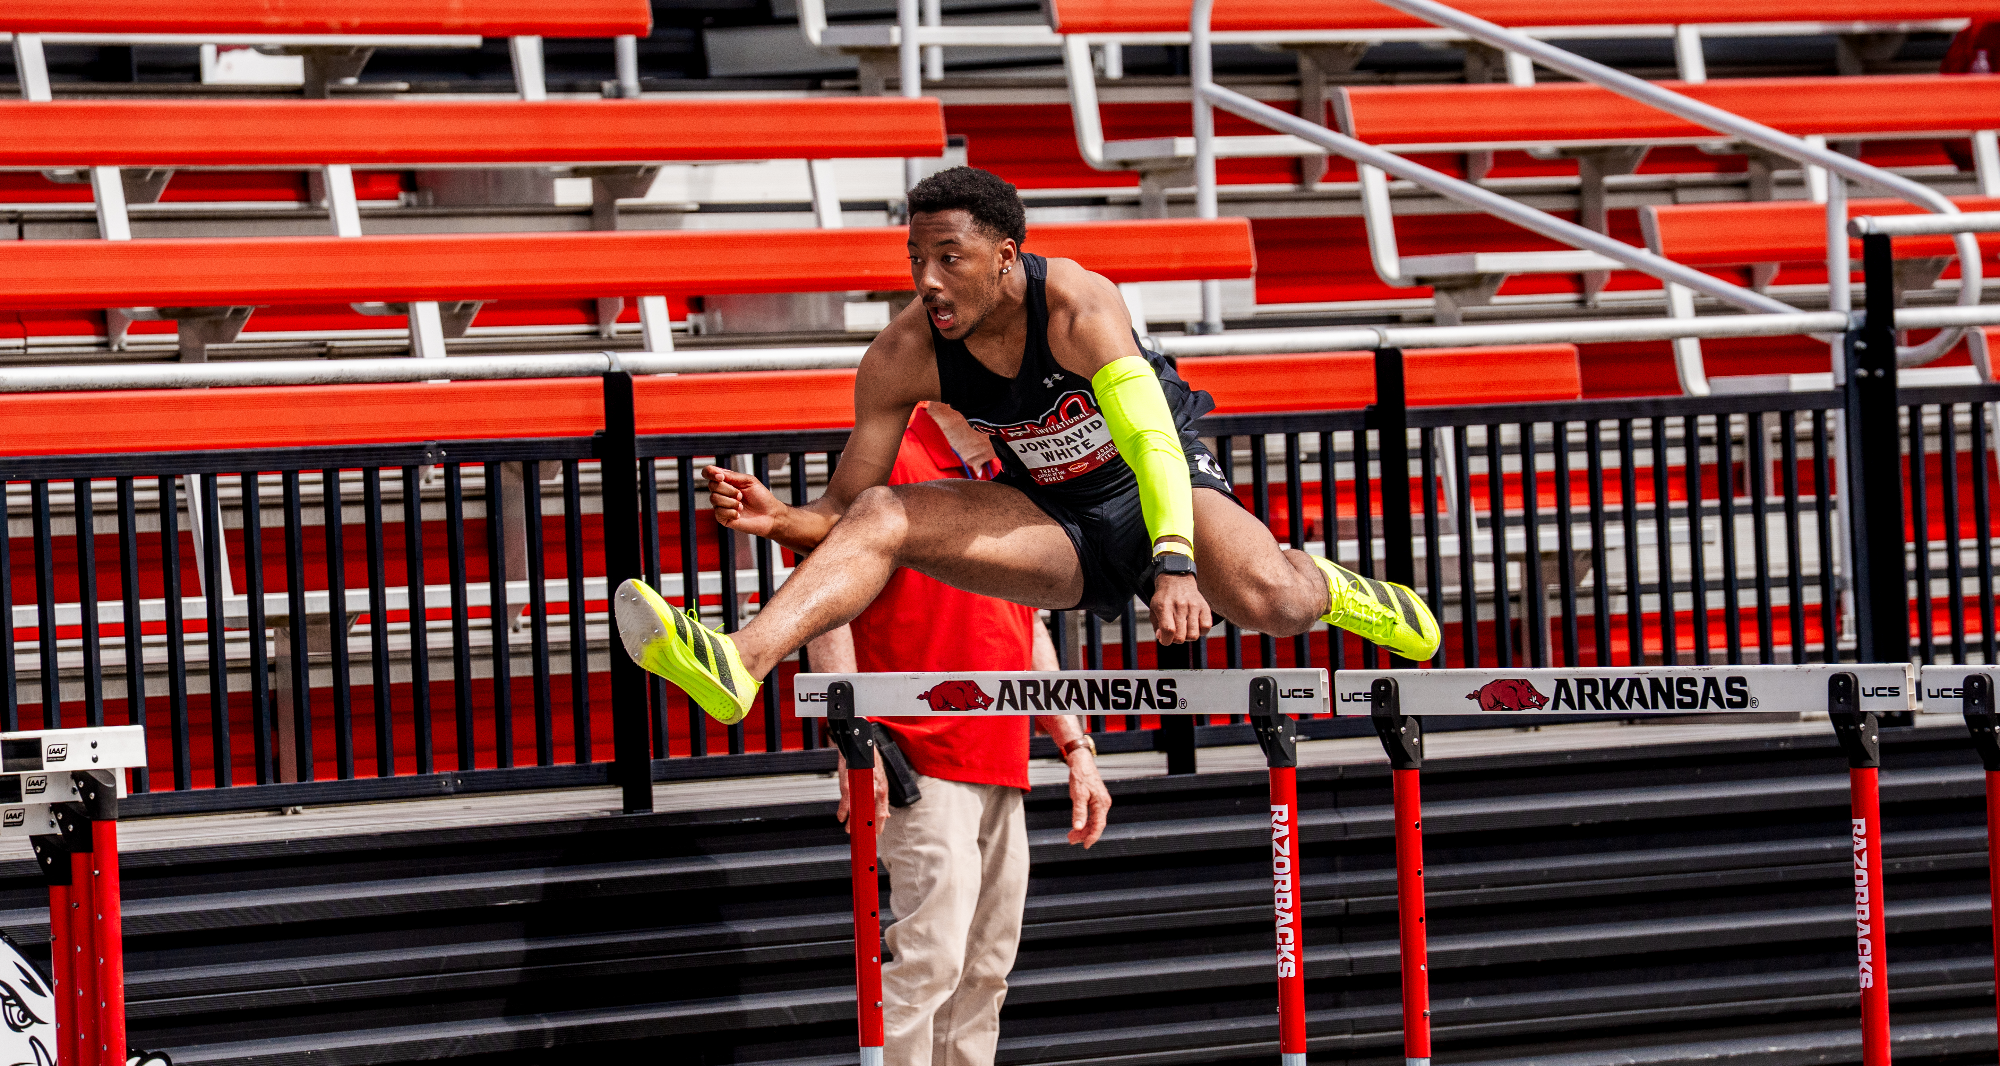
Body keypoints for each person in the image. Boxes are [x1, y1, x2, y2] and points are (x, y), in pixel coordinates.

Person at [611, 164, 1440, 729]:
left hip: (1155, 480)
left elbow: (1151, 441)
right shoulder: (903, 354)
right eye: (914, 259)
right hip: (1053, 517)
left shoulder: (1077, 304)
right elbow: (842, 517)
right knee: (883, 509)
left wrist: (1177, 561)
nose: (927, 281)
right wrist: (780, 519)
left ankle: (1330, 583)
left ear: (1005, 257)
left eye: (949, 259)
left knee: (1273, 605)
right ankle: (738, 662)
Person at [814, 400, 1110, 1066]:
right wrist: (849, 743)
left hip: (1000, 755)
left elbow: (1026, 624)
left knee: (985, 969)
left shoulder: (1008, 473)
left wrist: (1077, 748)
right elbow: (824, 595)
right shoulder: (891, 458)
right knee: (931, 963)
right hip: (916, 755)